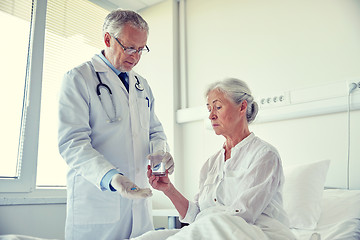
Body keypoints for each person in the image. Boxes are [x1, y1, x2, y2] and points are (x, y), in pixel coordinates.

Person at [58, 9, 174, 240]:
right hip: (98, 205)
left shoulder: (142, 84)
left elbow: (154, 131)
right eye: (130, 47)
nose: (135, 56)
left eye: (141, 49)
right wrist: (112, 177)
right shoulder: (79, 78)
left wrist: (161, 152)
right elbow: (72, 143)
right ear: (108, 39)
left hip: (139, 206)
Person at [133, 78, 296, 240]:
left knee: (213, 223)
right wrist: (168, 189)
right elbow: (196, 216)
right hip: (213, 230)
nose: (211, 116)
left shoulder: (264, 155)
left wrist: (204, 224)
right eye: (209, 109)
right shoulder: (211, 164)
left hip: (255, 232)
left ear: (242, 107)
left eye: (218, 107)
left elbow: (242, 215)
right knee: (150, 237)